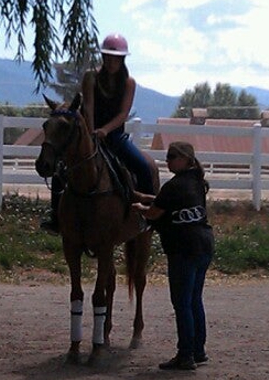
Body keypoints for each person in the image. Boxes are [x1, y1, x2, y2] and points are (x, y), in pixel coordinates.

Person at [40, 33, 154, 233]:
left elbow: (123, 113)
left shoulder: (129, 83)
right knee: (61, 172)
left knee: (144, 167)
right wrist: (92, 133)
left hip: (115, 135)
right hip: (89, 133)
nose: (111, 62)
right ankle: (56, 217)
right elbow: (89, 106)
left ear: (122, 59)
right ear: (103, 57)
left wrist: (105, 131)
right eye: (108, 57)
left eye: (116, 58)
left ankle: (148, 216)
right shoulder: (91, 77)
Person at [132, 141, 215, 371]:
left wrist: (139, 206)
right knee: (194, 300)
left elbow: (154, 213)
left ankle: (185, 355)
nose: (167, 161)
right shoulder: (196, 182)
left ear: (185, 159)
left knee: (181, 303)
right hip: (203, 245)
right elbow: (167, 202)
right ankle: (198, 351)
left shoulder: (174, 186)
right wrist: (148, 197)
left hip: (183, 249)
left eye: (172, 157)